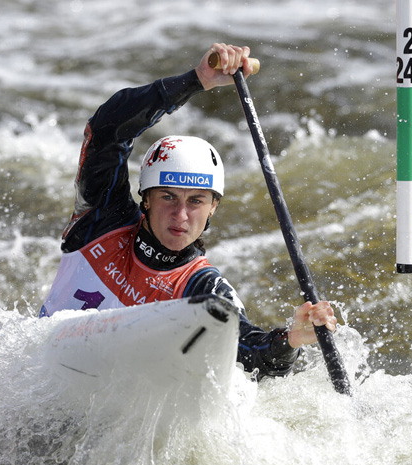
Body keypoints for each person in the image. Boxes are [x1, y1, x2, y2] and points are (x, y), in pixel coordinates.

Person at [39, 43, 338, 380]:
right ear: (146, 198)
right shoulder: (101, 221)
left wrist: (290, 340)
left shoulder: (203, 291)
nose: (180, 215)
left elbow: (251, 356)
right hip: (33, 377)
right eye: (168, 197)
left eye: (195, 201)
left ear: (213, 208)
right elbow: (108, 129)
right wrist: (196, 80)